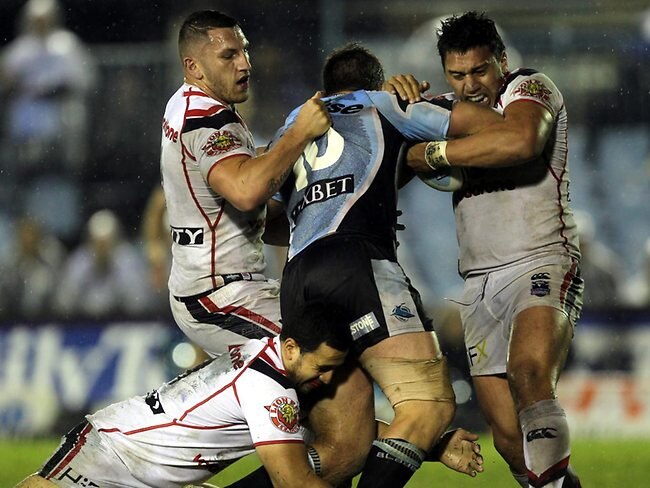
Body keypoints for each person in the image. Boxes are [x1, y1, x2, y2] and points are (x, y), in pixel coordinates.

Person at [158, 10, 373, 485]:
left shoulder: (192, 106)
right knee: (338, 384)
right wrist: (298, 135)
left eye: (245, 50)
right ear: (194, 67)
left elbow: (250, 214)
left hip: (230, 285)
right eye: (228, 54)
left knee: (334, 408)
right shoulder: (204, 118)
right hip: (217, 295)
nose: (245, 63)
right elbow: (247, 191)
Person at [274, 42, 503, 487]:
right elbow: (489, 127)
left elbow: (271, 220)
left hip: (298, 274)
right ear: (376, 84)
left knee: (343, 447)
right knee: (429, 405)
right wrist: (423, 121)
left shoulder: (295, 124)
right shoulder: (384, 103)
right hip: (355, 261)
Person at [395, 11, 584, 488]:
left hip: (541, 258)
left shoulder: (531, 87)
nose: (470, 85)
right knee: (505, 438)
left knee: (528, 371)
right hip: (479, 281)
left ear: (501, 60)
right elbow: (383, 154)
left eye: (480, 71)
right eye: (457, 76)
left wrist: (432, 153)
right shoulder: (446, 111)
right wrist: (398, 103)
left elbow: (522, 140)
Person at [13, 304, 352, 488]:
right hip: (115, 452)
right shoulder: (269, 388)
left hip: (146, 465)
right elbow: (291, 481)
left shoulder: (262, 353)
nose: (328, 378)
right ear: (291, 348)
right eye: (322, 367)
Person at [53, 209, 155, 319]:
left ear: (115, 239)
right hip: (83, 322)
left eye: (106, 242)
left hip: (121, 322)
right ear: (90, 240)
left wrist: (116, 268)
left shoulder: (127, 259)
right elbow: (63, 303)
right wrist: (88, 270)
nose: (102, 248)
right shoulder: (80, 260)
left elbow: (138, 304)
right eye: (97, 242)